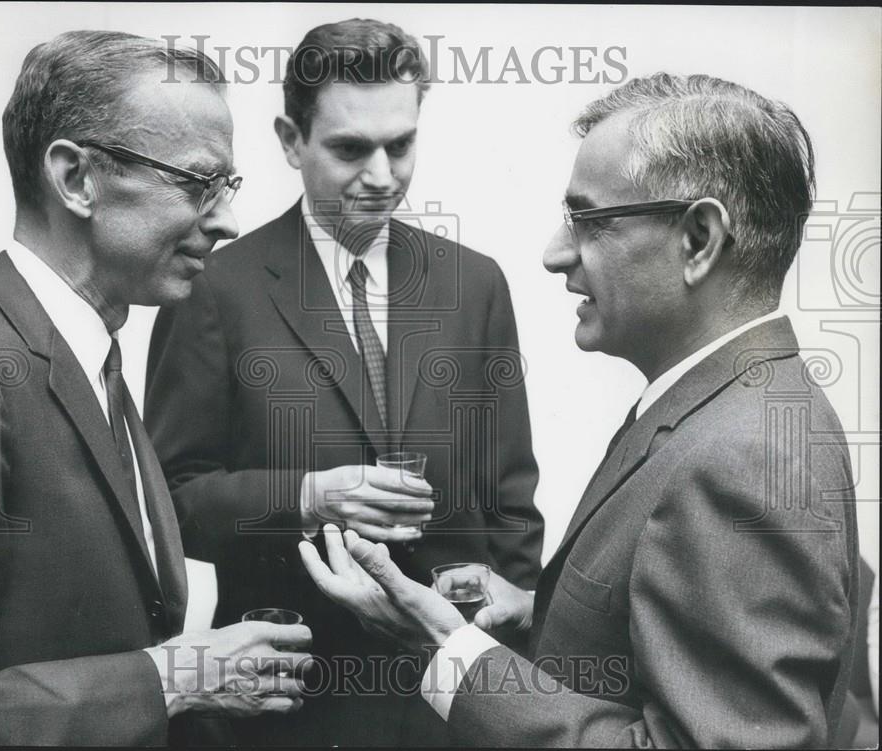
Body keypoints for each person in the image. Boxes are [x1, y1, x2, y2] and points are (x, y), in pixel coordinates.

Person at [300, 73, 861, 748]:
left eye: (588, 220)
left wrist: (445, 647)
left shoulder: (740, 455)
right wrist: (545, 610)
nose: (554, 254)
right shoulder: (735, 409)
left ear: (699, 239)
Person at [0, 30, 311, 746]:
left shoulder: (93, 361)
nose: (229, 220)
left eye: (226, 187)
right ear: (76, 178)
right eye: (200, 182)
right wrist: (173, 677)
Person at [145, 17, 543, 746]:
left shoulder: (475, 283)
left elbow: (511, 499)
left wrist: (499, 650)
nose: (382, 175)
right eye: (351, 149)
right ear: (291, 140)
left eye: (401, 144)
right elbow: (170, 501)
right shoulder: (216, 286)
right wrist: (303, 496)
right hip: (287, 705)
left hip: (448, 708)